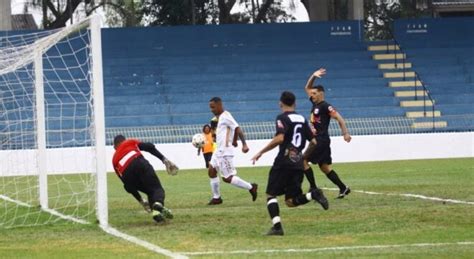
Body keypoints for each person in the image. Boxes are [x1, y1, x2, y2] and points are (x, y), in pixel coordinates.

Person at [251, 91, 329, 236]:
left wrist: (261, 151)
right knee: (290, 201)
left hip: (283, 162)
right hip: (297, 164)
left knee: (270, 195)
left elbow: (280, 138)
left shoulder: (282, 118)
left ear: (280, 103)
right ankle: (314, 195)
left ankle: (277, 227)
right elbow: (313, 142)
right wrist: (302, 156)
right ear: (295, 103)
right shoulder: (301, 118)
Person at [303, 68, 352, 199]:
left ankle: (313, 187)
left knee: (302, 160)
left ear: (320, 94)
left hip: (320, 140)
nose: (311, 95)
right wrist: (313, 75)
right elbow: (307, 87)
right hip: (320, 140)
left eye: (314, 93)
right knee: (325, 168)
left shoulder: (325, 106)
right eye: (311, 94)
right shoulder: (315, 104)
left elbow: (339, 118)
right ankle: (343, 188)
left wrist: (345, 133)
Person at [112, 135, 178, 223]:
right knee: (156, 189)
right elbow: (149, 147)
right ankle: (158, 204)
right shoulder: (129, 142)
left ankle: (156, 213)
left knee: (150, 192)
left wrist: (140, 200)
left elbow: (126, 185)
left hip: (127, 175)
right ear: (124, 140)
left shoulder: (114, 160)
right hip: (138, 162)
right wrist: (164, 159)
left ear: (115, 146)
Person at [207, 97, 258, 205]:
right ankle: (217, 198)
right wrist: (234, 140)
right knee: (211, 171)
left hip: (225, 152)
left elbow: (237, 128)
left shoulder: (226, 116)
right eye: (210, 107)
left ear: (220, 105)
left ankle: (251, 187)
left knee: (227, 178)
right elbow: (233, 128)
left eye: (213, 107)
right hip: (218, 150)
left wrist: (244, 144)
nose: (211, 109)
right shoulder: (219, 118)